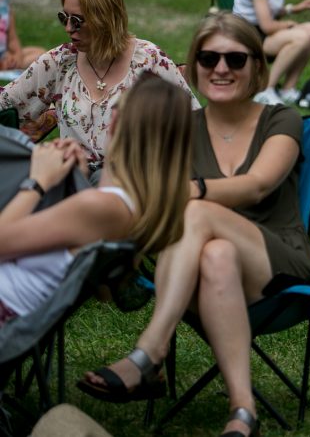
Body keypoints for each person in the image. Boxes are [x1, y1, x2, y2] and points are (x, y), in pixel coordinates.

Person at [79, 13, 310, 437]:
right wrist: (115, 150)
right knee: (216, 252)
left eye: (235, 59)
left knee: (196, 212)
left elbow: (257, 186)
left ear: (257, 67)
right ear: (195, 66)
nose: (221, 68)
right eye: (208, 58)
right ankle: (243, 413)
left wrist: (186, 191)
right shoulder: (182, 128)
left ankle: (150, 351)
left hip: (275, 266)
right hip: (198, 271)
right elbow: (132, 193)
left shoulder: (281, 118)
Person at [0, 75, 192, 329]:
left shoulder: (101, 208)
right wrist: (78, 180)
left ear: (114, 123)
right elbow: (102, 291)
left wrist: (39, 180)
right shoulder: (126, 206)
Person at [0, 0, 195, 177]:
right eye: (63, 18)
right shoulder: (60, 62)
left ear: (106, 19)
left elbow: (193, 123)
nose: (68, 28)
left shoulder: (149, 60)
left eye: (77, 21)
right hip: (71, 180)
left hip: (132, 183)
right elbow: (6, 103)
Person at [0, 0, 44, 71]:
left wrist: (17, 56)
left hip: (3, 54)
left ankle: (12, 65)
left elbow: (12, 39)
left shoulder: (6, 10)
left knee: (42, 53)